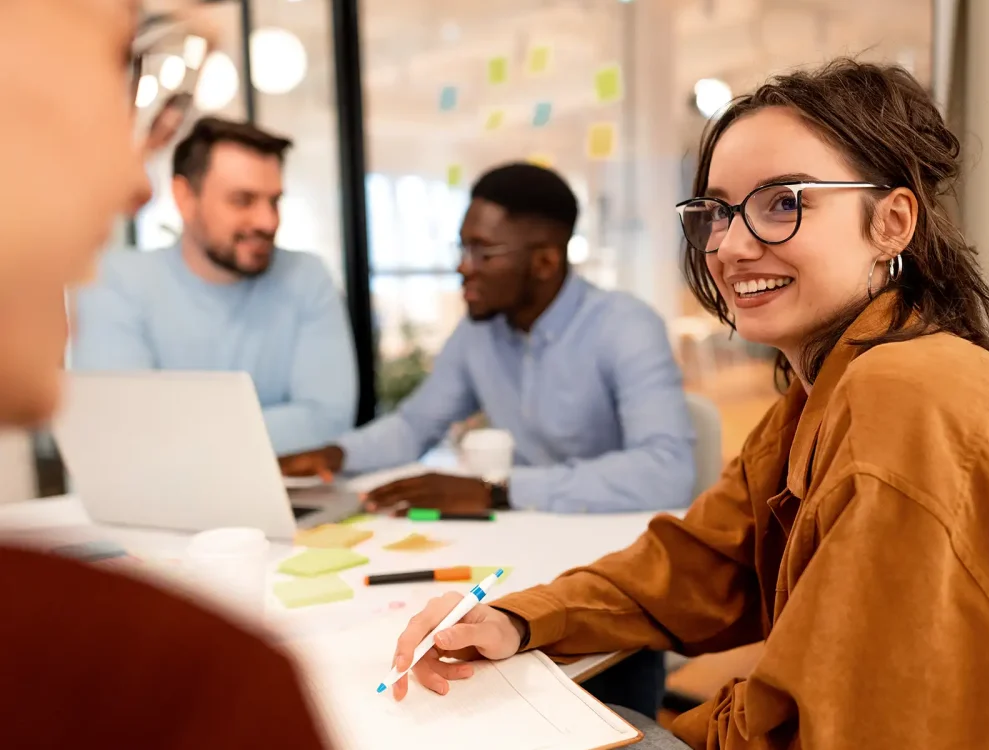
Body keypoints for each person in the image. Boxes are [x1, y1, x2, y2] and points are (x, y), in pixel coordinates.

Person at [387, 59, 989, 749]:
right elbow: (695, 566)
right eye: (718, 212)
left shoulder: (907, 394)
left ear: (891, 221)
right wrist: (516, 620)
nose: (731, 246)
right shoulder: (819, 393)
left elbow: (837, 724)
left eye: (783, 202)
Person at [0, 1, 325, 747]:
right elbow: (120, 428)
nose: (132, 180)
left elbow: (329, 411)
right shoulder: (179, 681)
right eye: (115, 73)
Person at [281, 162, 696, 515]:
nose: (463, 268)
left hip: (615, 542)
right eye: (462, 249)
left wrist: (497, 490)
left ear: (546, 261)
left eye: (483, 252)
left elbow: (667, 472)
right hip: (528, 534)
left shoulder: (626, 327)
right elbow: (414, 426)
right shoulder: (479, 331)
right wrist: (335, 455)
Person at [72, 116, 358, 456]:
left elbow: (328, 420)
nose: (268, 221)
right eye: (242, 200)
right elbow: (121, 429)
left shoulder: (307, 276)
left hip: (277, 498)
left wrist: (176, 437)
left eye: (274, 201)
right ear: (184, 197)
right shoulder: (115, 281)